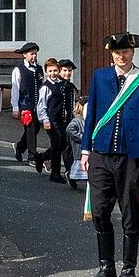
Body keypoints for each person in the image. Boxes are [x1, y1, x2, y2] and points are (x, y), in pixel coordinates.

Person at [80, 31, 139, 277]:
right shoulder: (100, 77)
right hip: (101, 154)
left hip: (132, 157)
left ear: (132, 52)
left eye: (126, 52)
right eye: (117, 52)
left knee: (131, 212)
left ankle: (128, 267)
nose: (121, 56)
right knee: (99, 211)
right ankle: (106, 266)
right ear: (111, 53)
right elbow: (92, 115)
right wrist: (85, 150)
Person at [11, 42, 44, 166]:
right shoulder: (18, 70)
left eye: (35, 54)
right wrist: (15, 107)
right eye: (31, 54)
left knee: (35, 129)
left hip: (37, 104)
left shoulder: (39, 68)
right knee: (30, 128)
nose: (34, 57)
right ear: (24, 55)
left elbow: (42, 85)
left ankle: (19, 146)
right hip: (25, 104)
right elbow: (15, 88)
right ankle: (32, 156)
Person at [36, 58, 69, 179]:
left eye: (55, 70)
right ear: (46, 72)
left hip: (60, 118)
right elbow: (41, 105)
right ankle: (55, 173)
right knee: (56, 145)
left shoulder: (59, 84)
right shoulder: (46, 87)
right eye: (50, 71)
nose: (53, 73)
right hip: (51, 119)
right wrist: (45, 120)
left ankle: (42, 157)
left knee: (61, 144)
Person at [58, 58, 79, 186]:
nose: (67, 73)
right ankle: (41, 158)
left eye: (69, 71)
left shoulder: (71, 87)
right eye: (64, 70)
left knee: (69, 146)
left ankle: (70, 171)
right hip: (58, 120)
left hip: (69, 120)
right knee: (60, 146)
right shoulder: (57, 85)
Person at [65, 96, 87, 184]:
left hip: (88, 146)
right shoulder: (77, 120)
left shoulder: (89, 120)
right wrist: (81, 137)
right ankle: (71, 176)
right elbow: (69, 130)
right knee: (79, 169)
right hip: (79, 146)